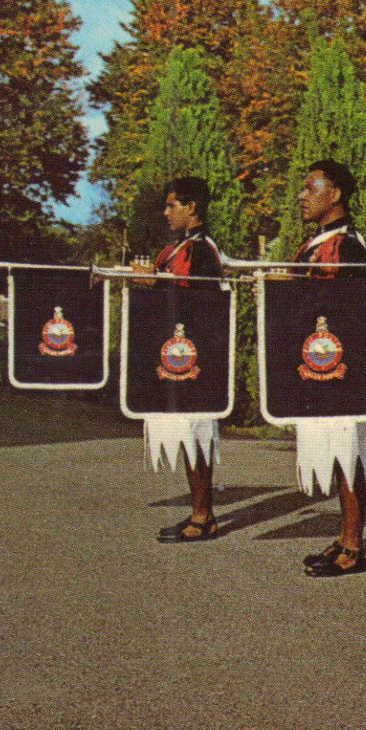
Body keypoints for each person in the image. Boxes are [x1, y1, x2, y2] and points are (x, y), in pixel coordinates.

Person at [291, 159, 366, 578]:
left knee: (351, 451)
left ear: (336, 195)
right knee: (335, 450)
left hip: (346, 367)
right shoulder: (319, 242)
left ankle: (355, 544)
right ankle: (346, 536)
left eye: (311, 188)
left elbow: (348, 310)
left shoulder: (346, 246)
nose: (302, 195)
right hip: (323, 363)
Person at [146, 176, 225, 542]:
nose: (166, 212)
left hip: (197, 356)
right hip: (179, 354)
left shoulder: (202, 250)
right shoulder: (179, 248)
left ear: (191, 207)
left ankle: (202, 515)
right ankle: (200, 510)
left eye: (171, 204)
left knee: (198, 431)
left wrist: (154, 283)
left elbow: (196, 304)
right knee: (187, 431)